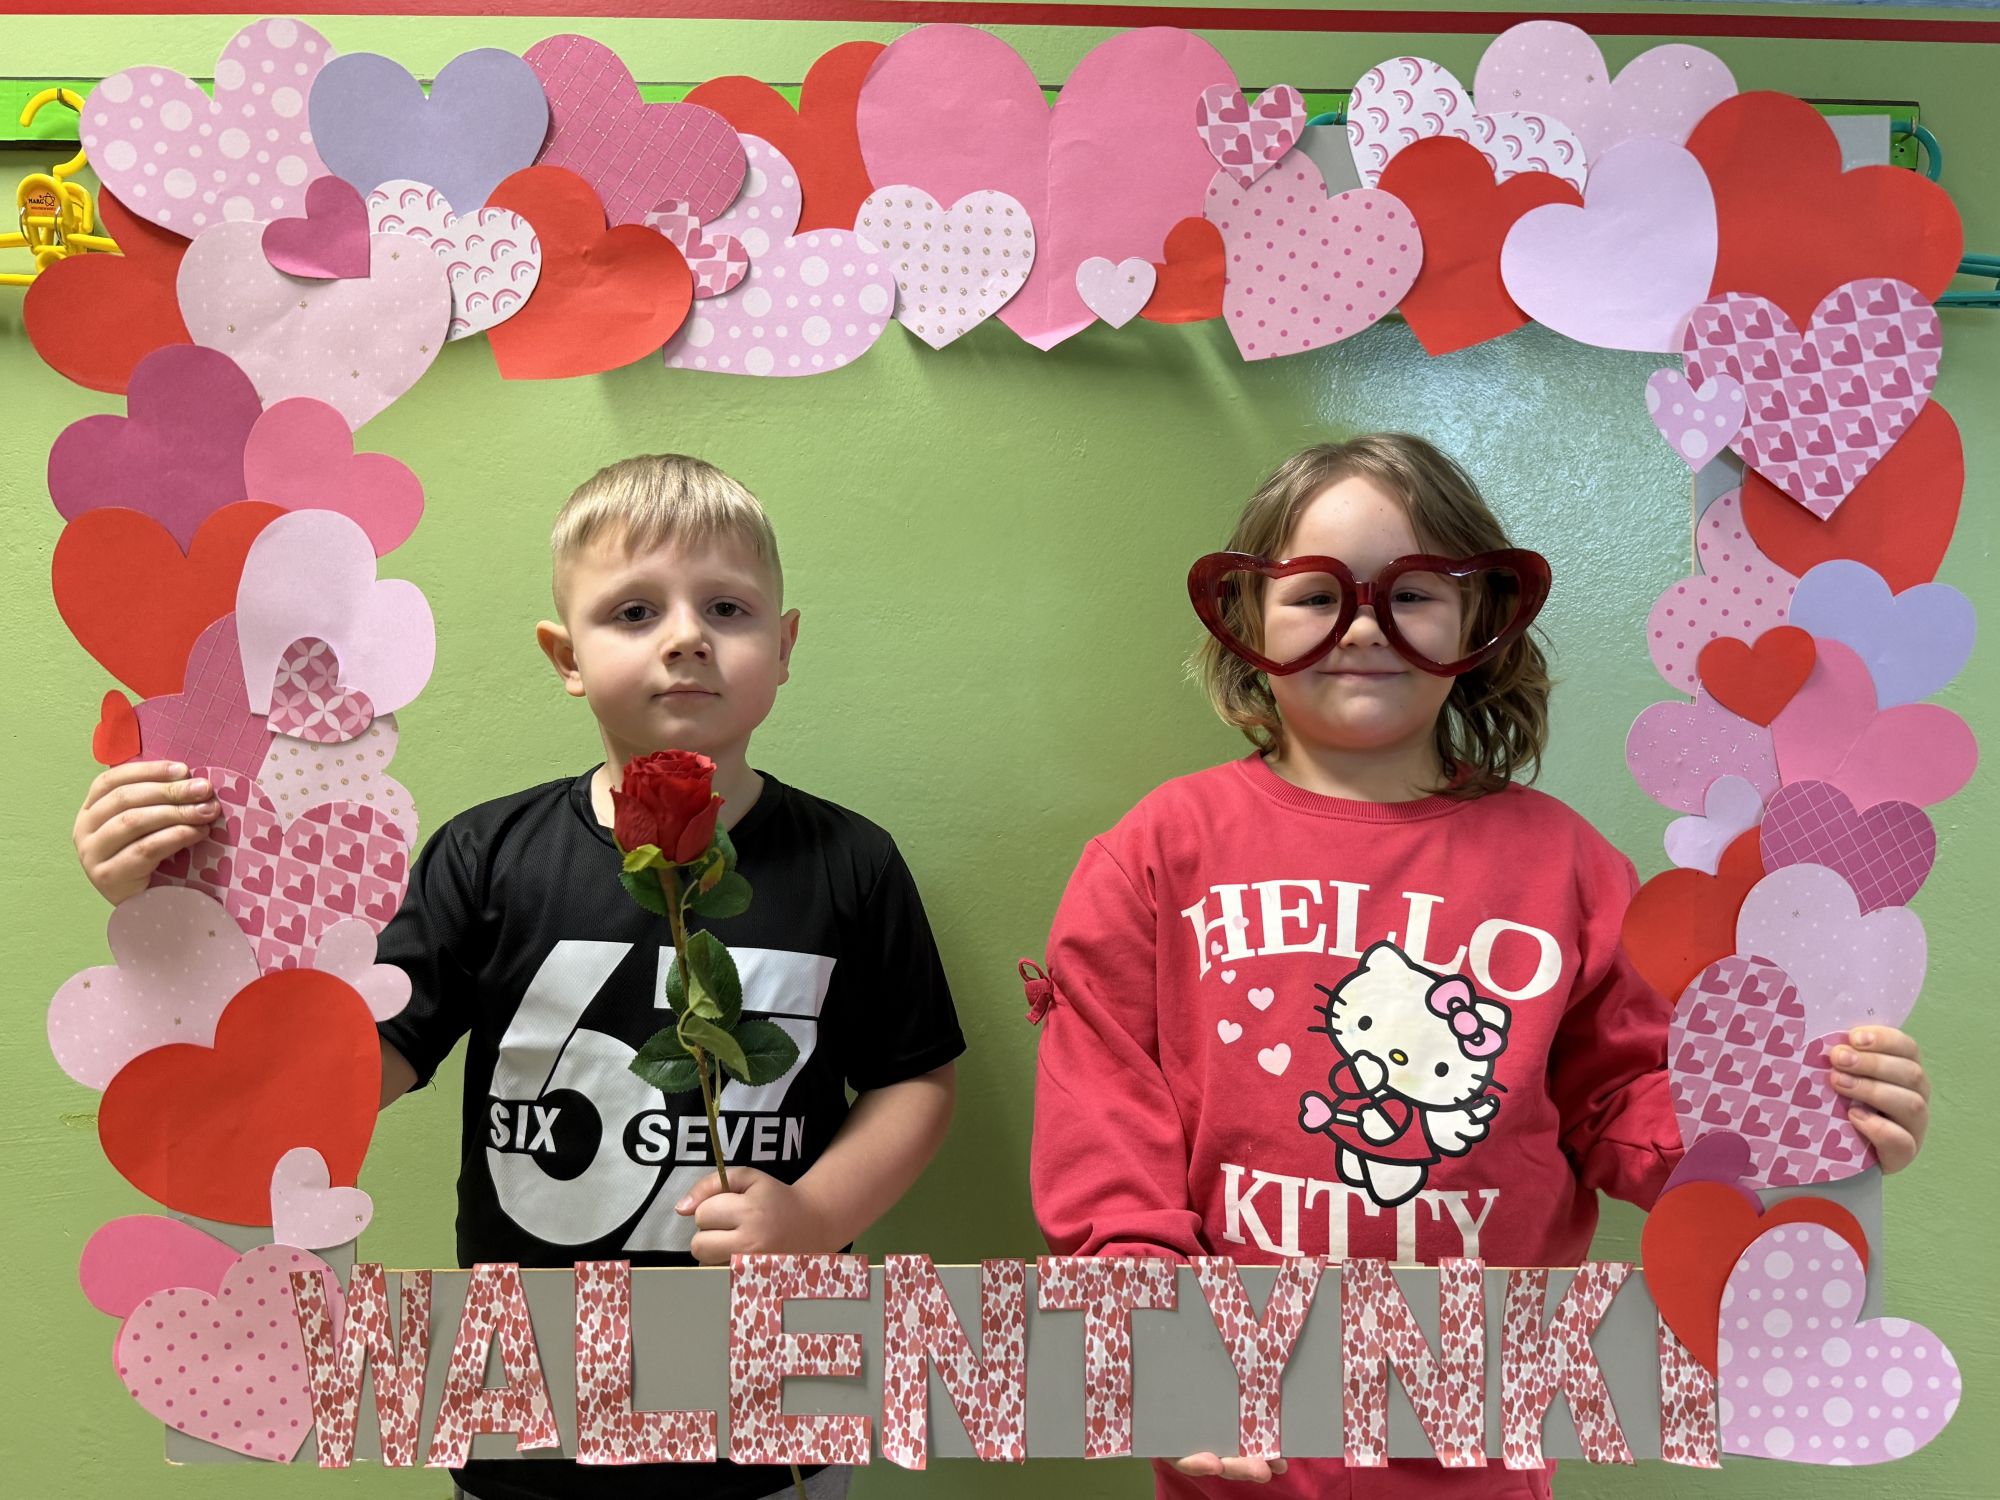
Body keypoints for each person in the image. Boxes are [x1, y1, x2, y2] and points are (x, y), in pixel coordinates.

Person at [1027, 434, 1932, 1498]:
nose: (1363, 624)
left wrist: (1796, 1120)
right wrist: (1146, 1322)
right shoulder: (1156, 852)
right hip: (1238, 1441)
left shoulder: (1565, 865)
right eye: (1315, 594)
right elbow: (1105, 1115)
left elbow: (1623, 1097)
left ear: (1477, 621)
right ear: (1246, 619)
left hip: (1480, 1446)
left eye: (1411, 592)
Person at [73, 454, 965, 1500]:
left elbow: (914, 1078)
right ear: (566, 656)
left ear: (783, 646)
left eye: (727, 608)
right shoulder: (484, 858)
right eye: (634, 611)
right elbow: (352, 1067)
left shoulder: (851, 865)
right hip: (524, 1432)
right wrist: (177, 916)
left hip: (771, 1430)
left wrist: (814, 1216)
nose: (686, 636)